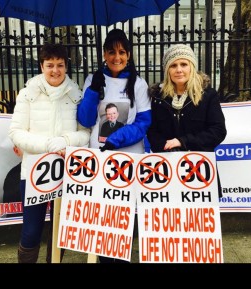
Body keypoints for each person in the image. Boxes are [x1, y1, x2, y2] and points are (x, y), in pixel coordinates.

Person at [8, 43, 90, 263]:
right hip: (35, 172)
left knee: (60, 228)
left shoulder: (76, 94)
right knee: (31, 229)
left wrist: (65, 141)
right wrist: (49, 145)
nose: (55, 70)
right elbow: (16, 132)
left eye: (60, 65)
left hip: (67, 172)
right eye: (50, 65)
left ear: (66, 66)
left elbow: (85, 133)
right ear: (42, 66)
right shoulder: (28, 93)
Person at [77, 28, 151, 263]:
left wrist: (116, 139)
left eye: (121, 52)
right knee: (103, 217)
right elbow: (86, 120)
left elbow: (143, 123)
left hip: (128, 157)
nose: (116, 57)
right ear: (104, 54)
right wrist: (91, 92)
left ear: (128, 54)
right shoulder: (93, 79)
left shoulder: (138, 83)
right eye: (111, 52)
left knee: (123, 217)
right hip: (99, 158)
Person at [147, 44, 227, 197]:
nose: (179, 70)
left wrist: (183, 141)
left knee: (199, 219)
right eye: (173, 65)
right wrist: (164, 147)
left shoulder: (208, 95)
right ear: (167, 70)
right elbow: (152, 131)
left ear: (192, 66)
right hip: (167, 169)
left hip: (200, 170)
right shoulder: (158, 97)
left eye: (184, 64)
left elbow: (218, 131)